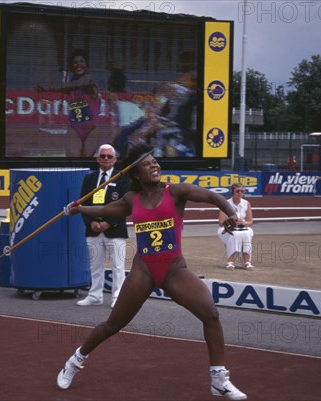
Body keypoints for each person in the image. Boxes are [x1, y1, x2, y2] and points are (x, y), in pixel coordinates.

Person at [58, 143, 247, 400]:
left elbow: (214, 197)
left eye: (155, 161)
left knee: (210, 314)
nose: (155, 165)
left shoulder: (176, 191)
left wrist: (232, 215)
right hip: (144, 272)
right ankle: (75, 361)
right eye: (147, 164)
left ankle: (219, 379)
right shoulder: (131, 199)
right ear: (136, 174)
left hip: (174, 270)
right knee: (113, 324)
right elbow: (104, 210)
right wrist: (79, 209)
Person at [77, 144, 129, 309]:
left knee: (117, 266)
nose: (106, 159)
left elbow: (126, 205)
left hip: (115, 229)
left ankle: (117, 297)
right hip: (93, 229)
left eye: (109, 156)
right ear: (97, 158)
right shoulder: (89, 178)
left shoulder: (122, 178)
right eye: (103, 156)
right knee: (95, 264)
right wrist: (91, 222)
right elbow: (82, 203)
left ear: (115, 159)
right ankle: (94, 295)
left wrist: (108, 222)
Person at [217, 183, 254, 270]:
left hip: (243, 227)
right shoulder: (225, 203)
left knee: (247, 233)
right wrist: (232, 223)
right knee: (235, 234)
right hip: (227, 228)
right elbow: (221, 222)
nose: (240, 193)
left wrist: (243, 223)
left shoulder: (247, 203)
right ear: (233, 192)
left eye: (242, 191)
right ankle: (230, 261)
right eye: (237, 191)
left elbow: (250, 222)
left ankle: (247, 262)